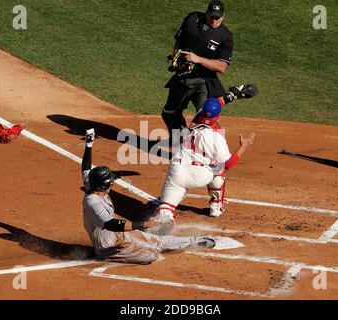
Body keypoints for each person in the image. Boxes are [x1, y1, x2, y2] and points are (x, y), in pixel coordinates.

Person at [81, 129, 216, 264]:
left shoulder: (92, 184)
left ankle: (194, 242)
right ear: (103, 186)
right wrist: (143, 224)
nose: (112, 183)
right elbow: (112, 224)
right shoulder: (93, 203)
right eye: (110, 181)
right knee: (150, 256)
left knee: (158, 241)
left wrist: (89, 145)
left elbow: (86, 168)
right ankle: (115, 254)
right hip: (108, 247)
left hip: (119, 234)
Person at [146, 97, 256, 236]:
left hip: (177, 172)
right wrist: (243, 146)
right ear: (218, 116)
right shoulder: (217, 138)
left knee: (165, 207)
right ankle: (216, 206)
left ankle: (163, 222)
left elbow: (215, 104)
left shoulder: (195, 120)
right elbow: (228, 164)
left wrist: (230, 95)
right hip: (200, 175)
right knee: (219, 169)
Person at [162, 0, 255, 142]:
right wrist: (177, 58)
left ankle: (213, 153)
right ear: (206, 13)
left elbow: (222, 67)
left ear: (223, 17)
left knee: (208, 116)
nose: (214, 20)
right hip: (182, 76)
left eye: (218, 17)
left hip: (204, 81)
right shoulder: (192, 19)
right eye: (212, 16)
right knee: (169, 113)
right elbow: (179, 40)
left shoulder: (225, 36)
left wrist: (197, 59)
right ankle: (180, 142)